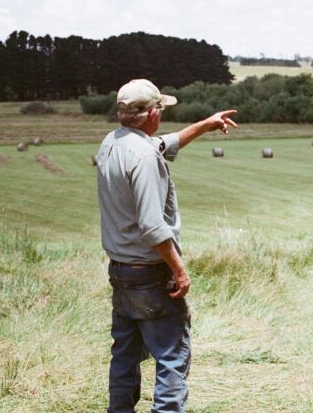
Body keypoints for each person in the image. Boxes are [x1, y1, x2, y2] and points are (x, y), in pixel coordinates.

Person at [96, 79, 237, 413]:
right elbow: (153, 226)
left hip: (121, 271)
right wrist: (180, 270)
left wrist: (206, 124)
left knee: (124, 357)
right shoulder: (144, 157)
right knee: (172, 358)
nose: (162, 113)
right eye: (160, 107)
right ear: (152, 113)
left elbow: (165, 144)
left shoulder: (113, 143)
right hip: (150, 275)